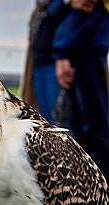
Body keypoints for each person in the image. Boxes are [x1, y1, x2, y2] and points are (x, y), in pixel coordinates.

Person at [53, 0, 109, 179]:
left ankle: (96, 185)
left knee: (93, 129)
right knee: (83, 127)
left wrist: (62, 50)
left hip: (85, 51)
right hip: (82, 51)